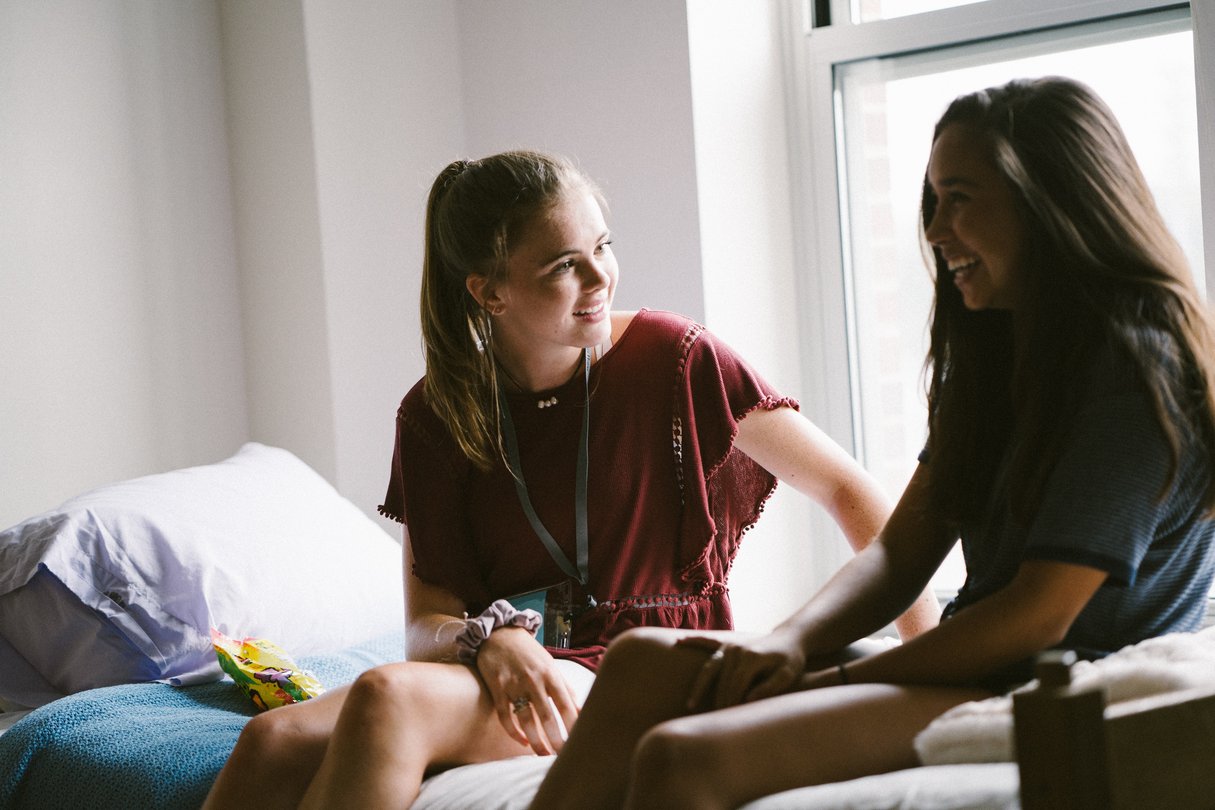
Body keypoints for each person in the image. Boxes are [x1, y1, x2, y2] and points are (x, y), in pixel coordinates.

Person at [529, 76, 1215, 810]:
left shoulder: (1134, 372)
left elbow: (1035, 615)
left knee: (680, 757)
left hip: (1067, 684)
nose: (935, 229)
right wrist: (784, 643)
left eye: (960, 199)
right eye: (932, 200)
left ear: (1046, 201)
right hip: (987, 666)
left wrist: (835, 682)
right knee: (640, 663)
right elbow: (896, 555)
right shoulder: (998, 357)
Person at [202, 150, 940, 809]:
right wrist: (486, 642)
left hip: (641, 665)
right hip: (516, 662)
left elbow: (848, 491)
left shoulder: (675, 358)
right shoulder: (437, 414)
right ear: (489, 293)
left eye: (601, 248)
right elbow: (423, 625)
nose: (599, 278)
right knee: (270, 741)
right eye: (562, 265)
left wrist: (926, 661)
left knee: (387, 700)